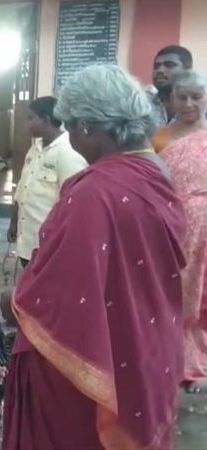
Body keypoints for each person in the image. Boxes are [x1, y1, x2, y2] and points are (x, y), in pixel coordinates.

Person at [1, 65, 185, 449]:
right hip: (147, 347)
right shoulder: (157, 175)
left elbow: (62, 296)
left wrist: (15, 303)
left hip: (99, 366)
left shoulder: (94, 192)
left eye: (69, 127)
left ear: (86, 127)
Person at [157, 71, 207, 393]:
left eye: (196, 96)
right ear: (171, 99)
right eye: (182, 96)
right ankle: (175, 361)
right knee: (176, 293)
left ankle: (200, 363)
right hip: (174, 225)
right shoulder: (159, 138)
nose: (189, 103)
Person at [8, 96, 87, 266]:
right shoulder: (35, 148)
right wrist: (14, 221)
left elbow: (74, 203)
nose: (26, 124)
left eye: (31, 119)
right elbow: (22, 188)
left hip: (50, 245)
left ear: (45, 120)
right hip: (28, 241)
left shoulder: (68, 153)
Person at [148, 45, 193, 132]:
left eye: (169, 65)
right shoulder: (141, 105)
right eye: (156, 66)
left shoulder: (200, 108)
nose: (160, 70)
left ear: (188, 71)